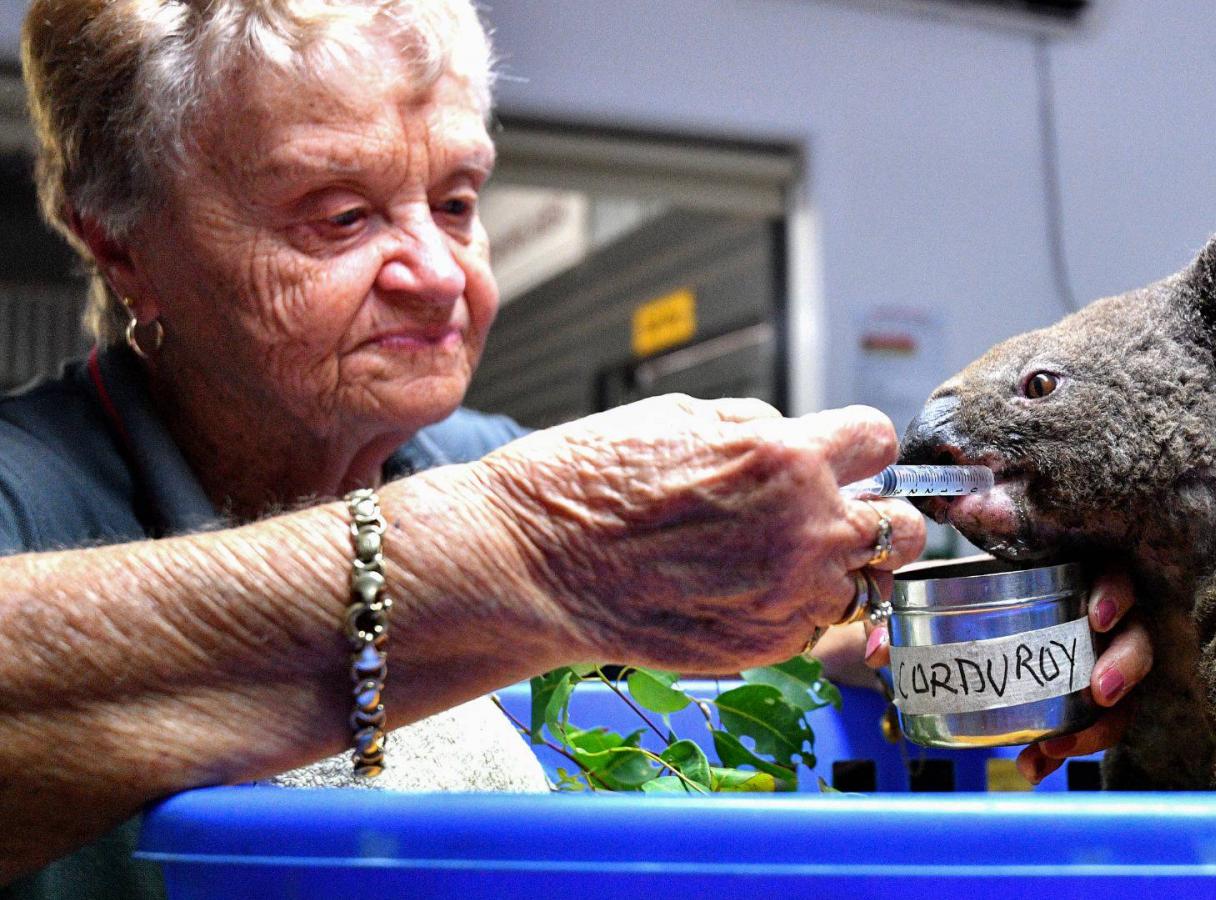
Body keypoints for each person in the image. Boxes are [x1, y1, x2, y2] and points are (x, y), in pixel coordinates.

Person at [0, 0, 1151, 894]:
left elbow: (763, 651)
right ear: (123, 248)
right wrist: (514, 557)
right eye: (339, 217)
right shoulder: (29, 488)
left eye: (455, 204)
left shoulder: (473, 450)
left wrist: (920, 632)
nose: (441, 275)